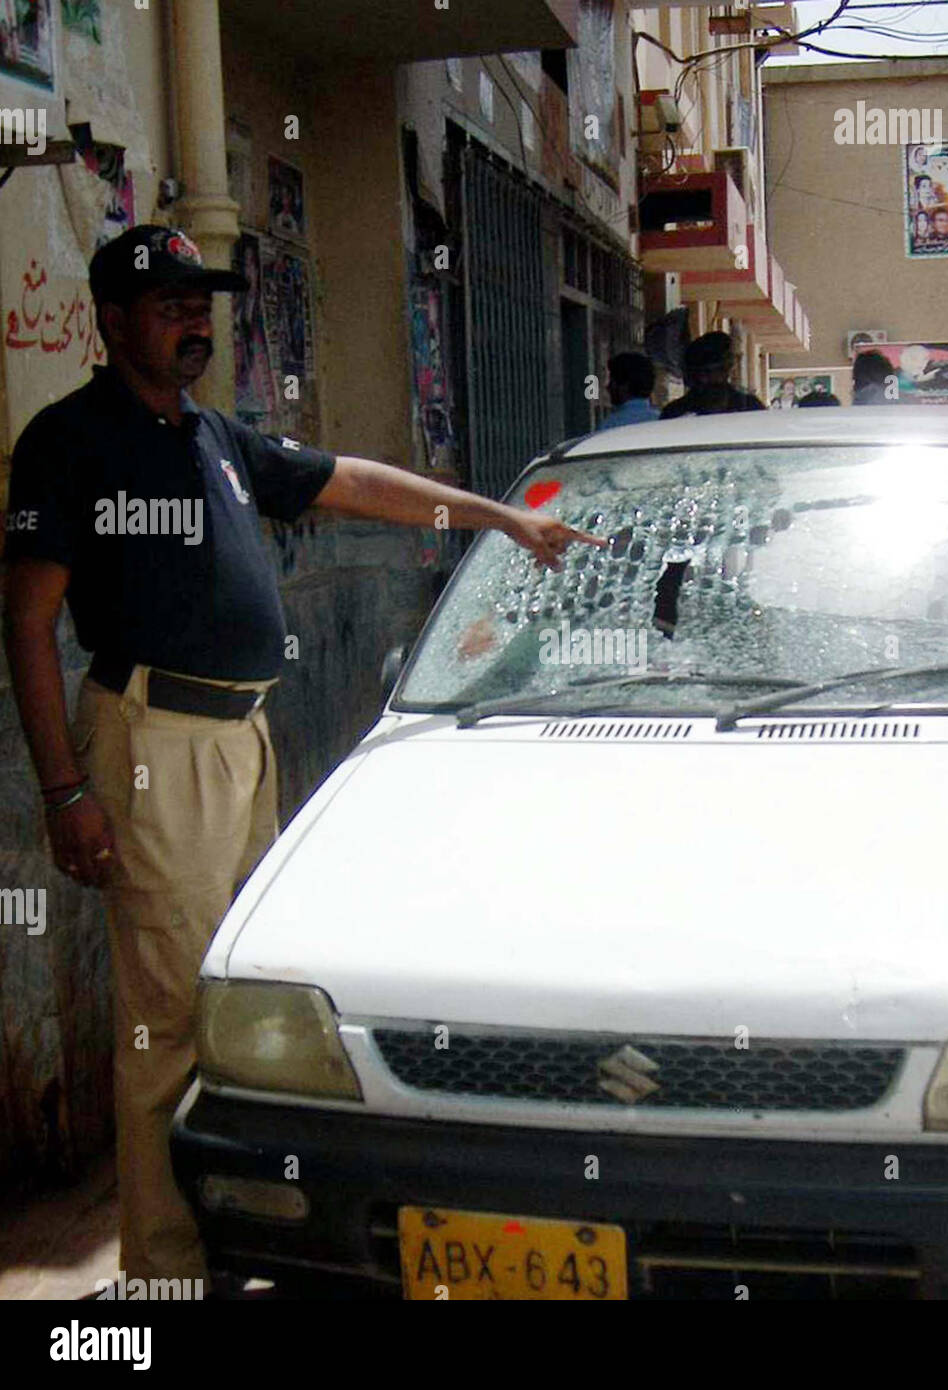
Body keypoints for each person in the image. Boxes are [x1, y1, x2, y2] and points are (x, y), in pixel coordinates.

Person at [1, 225, 602, 1292]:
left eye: (203, 302)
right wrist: (65, 788)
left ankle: (230, 1234)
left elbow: (356, 483)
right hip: (151, 745)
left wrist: (491, 517)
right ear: (111, 318)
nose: (195, 319)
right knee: (169, 1022)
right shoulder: (73, 439)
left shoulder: (215, 439)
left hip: (241, 743)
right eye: (170, 303)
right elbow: (29, 621)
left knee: (241, 1000)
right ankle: (164, 1275)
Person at [660, 332, 765, 417]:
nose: (708, 378)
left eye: (721, 369)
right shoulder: (675, 414)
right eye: (706, 372)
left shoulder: (750, 407)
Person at [598, 351, 659, 430]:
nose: (608, 387)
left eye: (612, 381)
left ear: (624, 386)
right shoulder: (662, 421)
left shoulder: (609, 427)